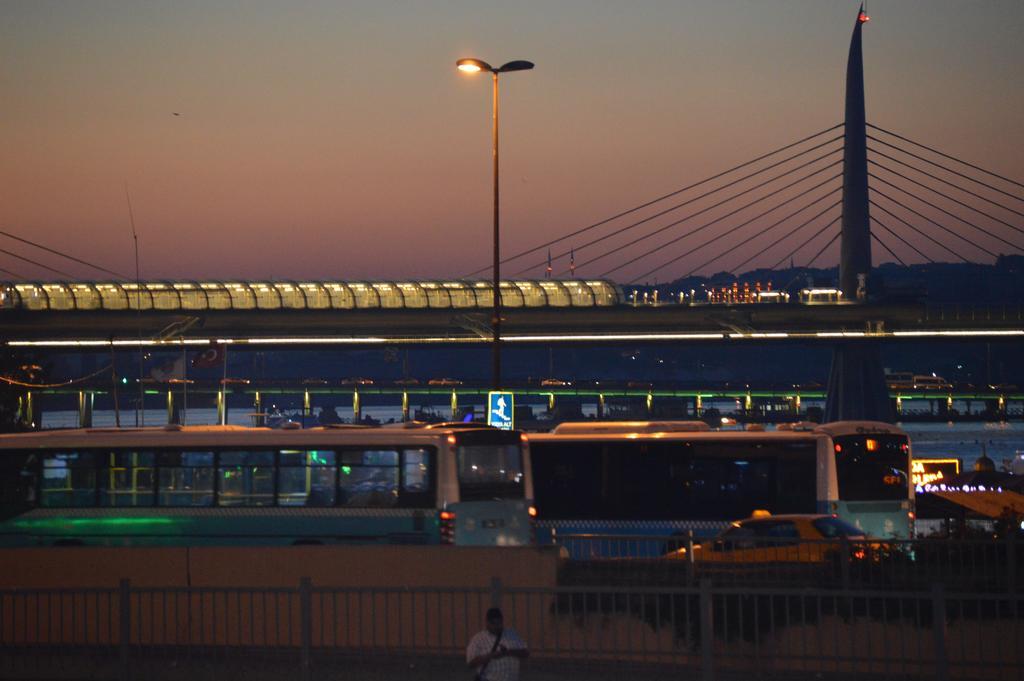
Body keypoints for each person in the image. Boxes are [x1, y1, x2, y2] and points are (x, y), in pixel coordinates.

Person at [466, 607, 528, 681]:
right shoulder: (478, 639)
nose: (496, 626)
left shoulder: (511, 634)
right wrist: (491, 656)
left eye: (499, 623)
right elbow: (471, 663)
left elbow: (525, 653)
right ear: (487, 623)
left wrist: (507, 652)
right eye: (493, 623)